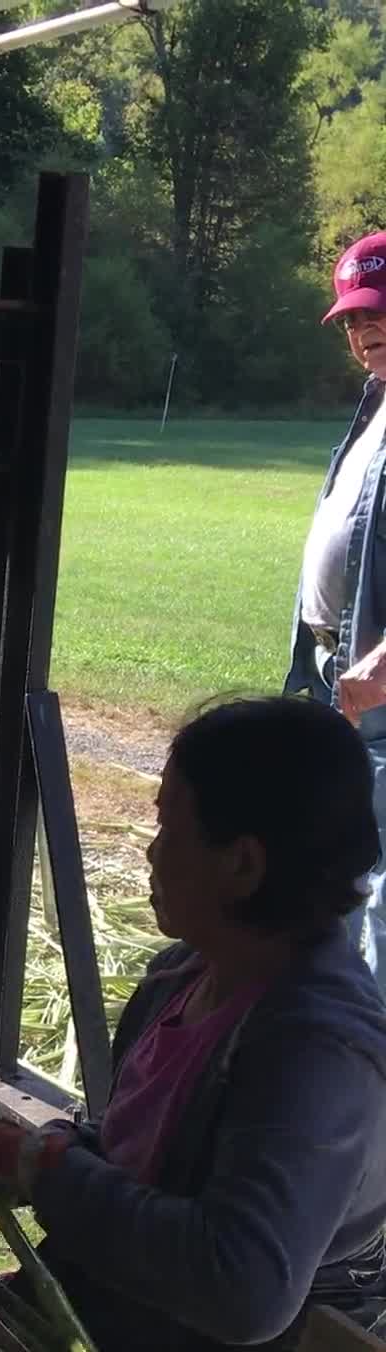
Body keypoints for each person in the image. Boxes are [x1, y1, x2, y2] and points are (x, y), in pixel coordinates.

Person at [0, 698, 386, 1352]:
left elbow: (246, 1289)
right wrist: (26, 1154)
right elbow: (142, 1156)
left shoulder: (314, 1048)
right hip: (120, 1339)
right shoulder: (187, 976)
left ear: (243, 864)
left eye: (169, 825)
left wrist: (43, 1166)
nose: (150, 851)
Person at [288, 230, 386, 979]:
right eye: (352, 317)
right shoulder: (376, 405)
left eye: (379, 311)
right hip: (343, 683)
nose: (365, 329)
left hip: (379, 690)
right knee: (336, 876)